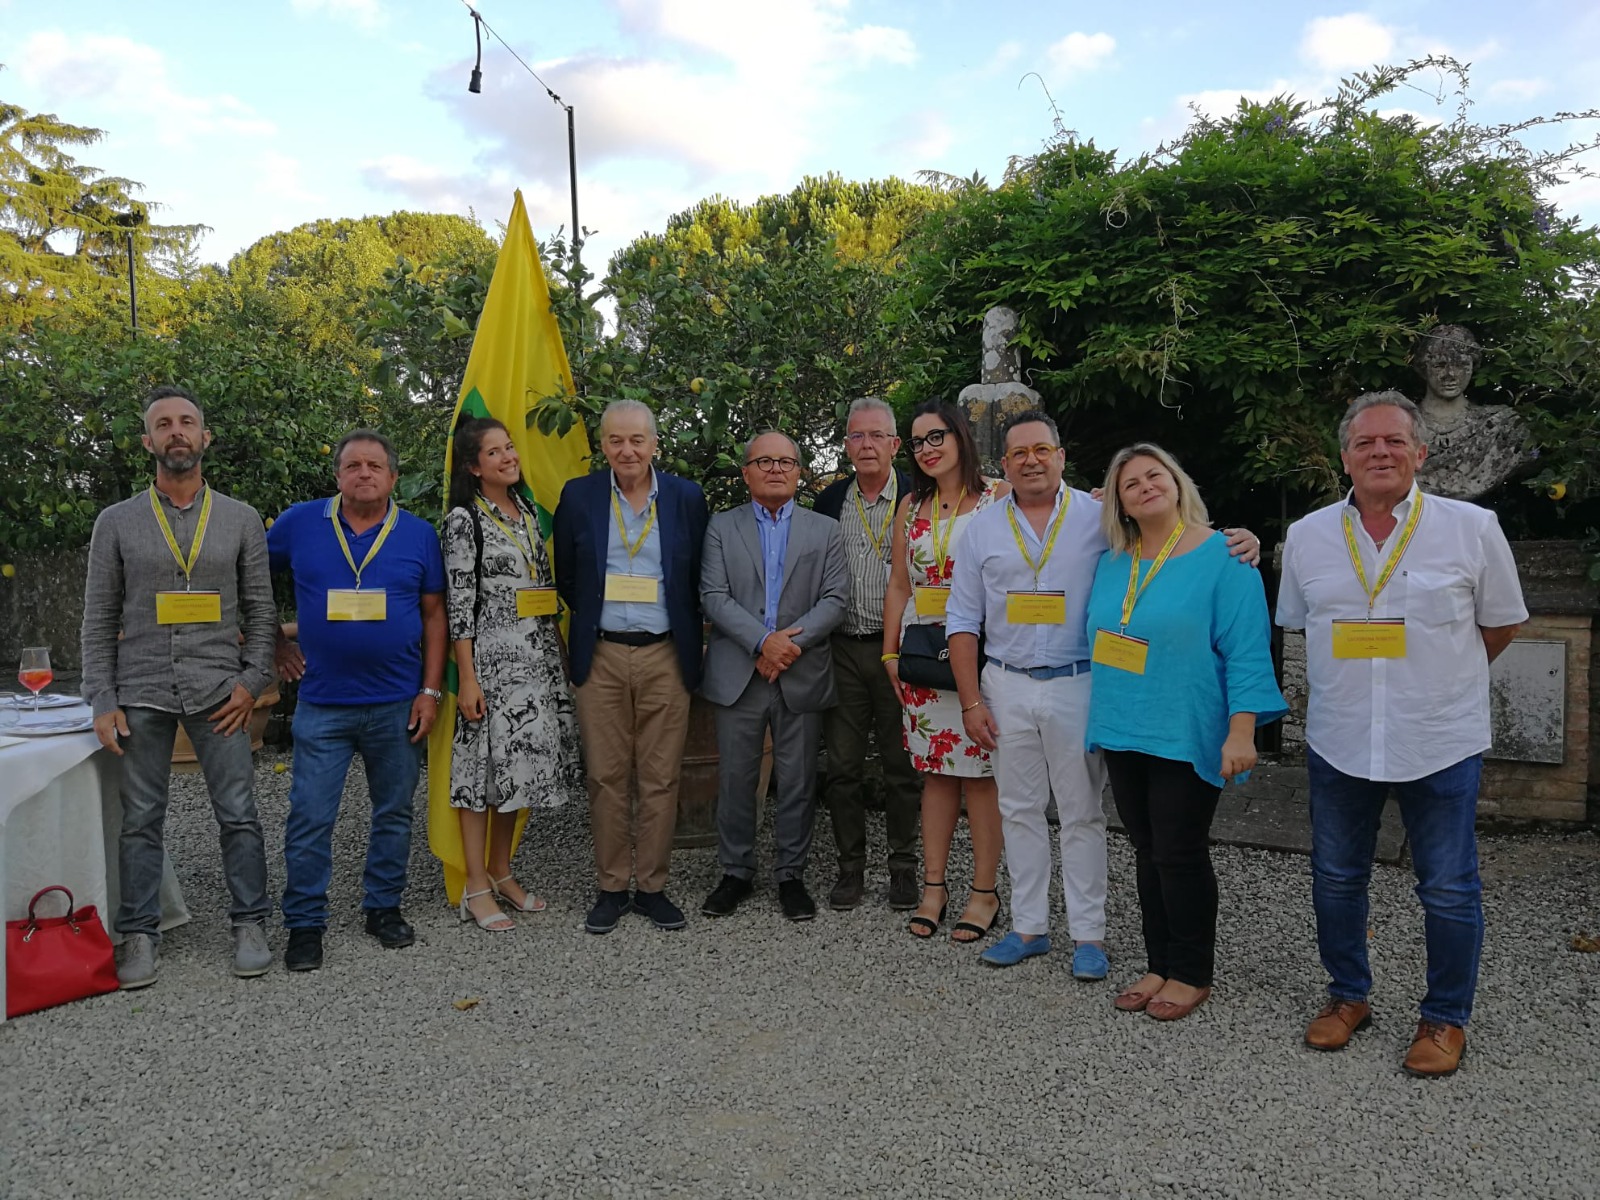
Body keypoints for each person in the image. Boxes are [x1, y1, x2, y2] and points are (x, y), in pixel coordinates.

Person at [947, 410, 1260, 977]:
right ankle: (1029, 925)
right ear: (1004, 465)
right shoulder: (982, 529)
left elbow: (1175, 545)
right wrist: (971, 700)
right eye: (1019, 453)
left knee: (1083, 812)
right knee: (1017, 808)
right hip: (1005, 682)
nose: (1031, 461)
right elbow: (963, 618)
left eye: (1042, 449)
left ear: (1061, 456)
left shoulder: (1101, 517)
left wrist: (1242, 539)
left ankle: (1088, 935)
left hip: (1080, 682)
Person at [1277, 391, 1526, 1077]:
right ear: (1345, 456)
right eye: (1365, 443)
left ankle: (1445, 1017)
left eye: (1393, 442)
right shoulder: (1309, 536)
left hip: (1438, 737)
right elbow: (1300, 621)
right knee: (1335, 878)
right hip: (1341, 737)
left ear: (1420, 452)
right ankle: (1347, 996)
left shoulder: (1472, 529)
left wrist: (1441, 679)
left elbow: (1500, 624)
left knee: (1447, 886)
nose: (1379, 452)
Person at [81, 384, 275, 988]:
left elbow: (263, 614)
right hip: (140, 690)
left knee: (239, 812)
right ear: (148, 442)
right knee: (140, 817)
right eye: (163, 424)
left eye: (186, 421)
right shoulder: (116, 522)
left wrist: (251, 682)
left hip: (220, 690)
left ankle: (250, 922)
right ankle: (138, 933)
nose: (176, 432)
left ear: (204, 437)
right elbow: (97, 617)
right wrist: (102, 699)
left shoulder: (241, 519)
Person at [1084, 443, 1287, 1021]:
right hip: (1124, 725)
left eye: (1156, 475)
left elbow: (1247, 652)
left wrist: (1241, 732)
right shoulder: (1112, 561)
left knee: (1179, 851)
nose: (1145, 487)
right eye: (1130, 484)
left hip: (1187, 726)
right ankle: (1158, 961)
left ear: (1177, 482)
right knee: (1146, 849)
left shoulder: (1226, 558)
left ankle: (1192, 971)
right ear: (1118, 503)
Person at [268, 429, 447, 971]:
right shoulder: (300, 522)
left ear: (394, 477)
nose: (363, 473)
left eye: (374, 465)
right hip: (322, 703)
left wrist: (430, 691)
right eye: (353, 465)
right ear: (338, 475)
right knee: (309, 816)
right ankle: (304, 923)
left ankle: (383, 907)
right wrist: (274, 640)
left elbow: (435, 614)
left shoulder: (418, 534)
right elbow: (248, 577)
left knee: (393, 812)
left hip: (397, 701)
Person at [554, 399, 708, 934]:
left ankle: (653, 887)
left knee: (663, 776)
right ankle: (612, 886)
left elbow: (694, 580)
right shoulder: (579, 496)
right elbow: (568, 577)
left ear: (655, 444)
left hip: (666, 652)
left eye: (637, 440)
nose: (627, 450)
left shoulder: (686, 498)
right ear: (603, 445)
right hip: (601, 654)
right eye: (617, 441)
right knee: (605, 774)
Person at [699, 431, 849, 921]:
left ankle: (791, 875)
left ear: (800, 472)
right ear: (746, 473)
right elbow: (714, 596)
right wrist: (762, 642)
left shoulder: (824, 530)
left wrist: (786, 646)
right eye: (764, 461)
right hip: (739, 671)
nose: (776, 469)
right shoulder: (722, 527)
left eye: (787, 461)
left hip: (799, 670)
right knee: (737, 778)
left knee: (799, 778)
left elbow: (834, 600)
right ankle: (735, 873)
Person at [443, 417, 581, 931]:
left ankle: (502, 871)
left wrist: (559, 655)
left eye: (510, 447)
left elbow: (541, 590)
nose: (508, 457)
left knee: (516, 772)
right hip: (492, 666)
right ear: (474, 466)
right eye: (494, 452)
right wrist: (468, 678)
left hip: (537, 659)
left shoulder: (524, 510)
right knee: (481, 776)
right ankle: (475, 883)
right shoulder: (464, 519)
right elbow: (459, 604)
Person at [881, 401, 1007, 943]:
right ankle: (934, 887)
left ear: (960, 437)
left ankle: (984, 892)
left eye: (937, 436)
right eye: (918, 441)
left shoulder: (997, 498)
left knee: (980, 779)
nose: (928, 448)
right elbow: (899, 585)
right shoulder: (912, 507)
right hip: (922, 658)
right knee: (935, 775)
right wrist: (889, 653)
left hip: (978, 657)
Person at [813, 397, 921, 912]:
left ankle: (903, 868)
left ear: (896, 444)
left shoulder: (920, 497)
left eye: (878, 435)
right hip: (844, 650)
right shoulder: (830, 501)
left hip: (900, 653)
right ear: (847, 445)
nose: (867, 445)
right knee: (842, 766)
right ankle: (849, 867)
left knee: (903, 766)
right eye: (857, 436)